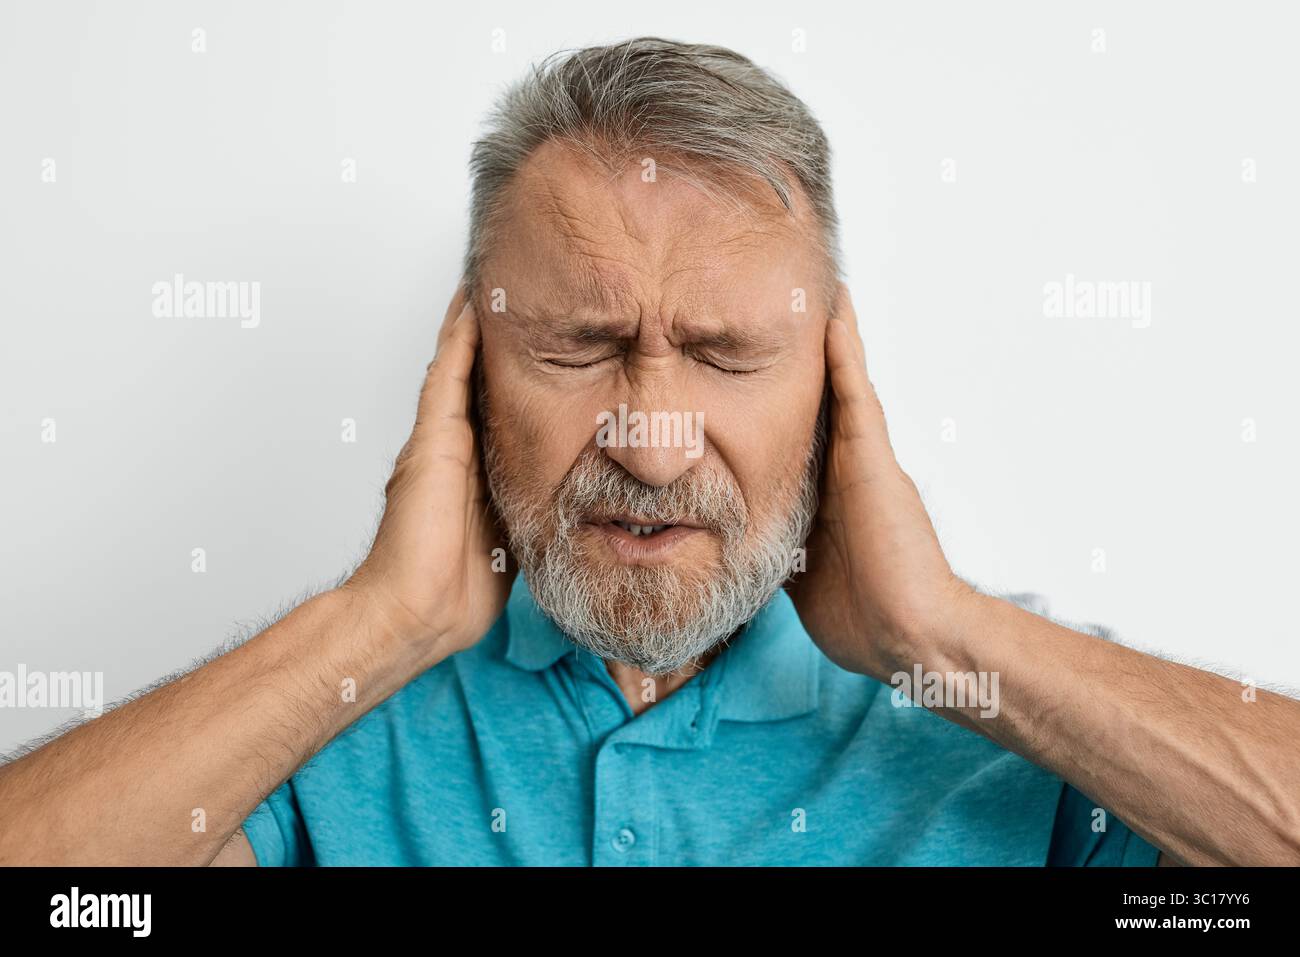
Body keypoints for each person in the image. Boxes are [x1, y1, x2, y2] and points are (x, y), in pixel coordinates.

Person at [2, 37, 1297, 867]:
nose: (656, 441)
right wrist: (374, 626)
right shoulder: (327, 734)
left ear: (840, 390)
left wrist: (940, 634)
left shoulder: (1012, 724)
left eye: (728, 353)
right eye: (579, 346)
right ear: (463, 372)